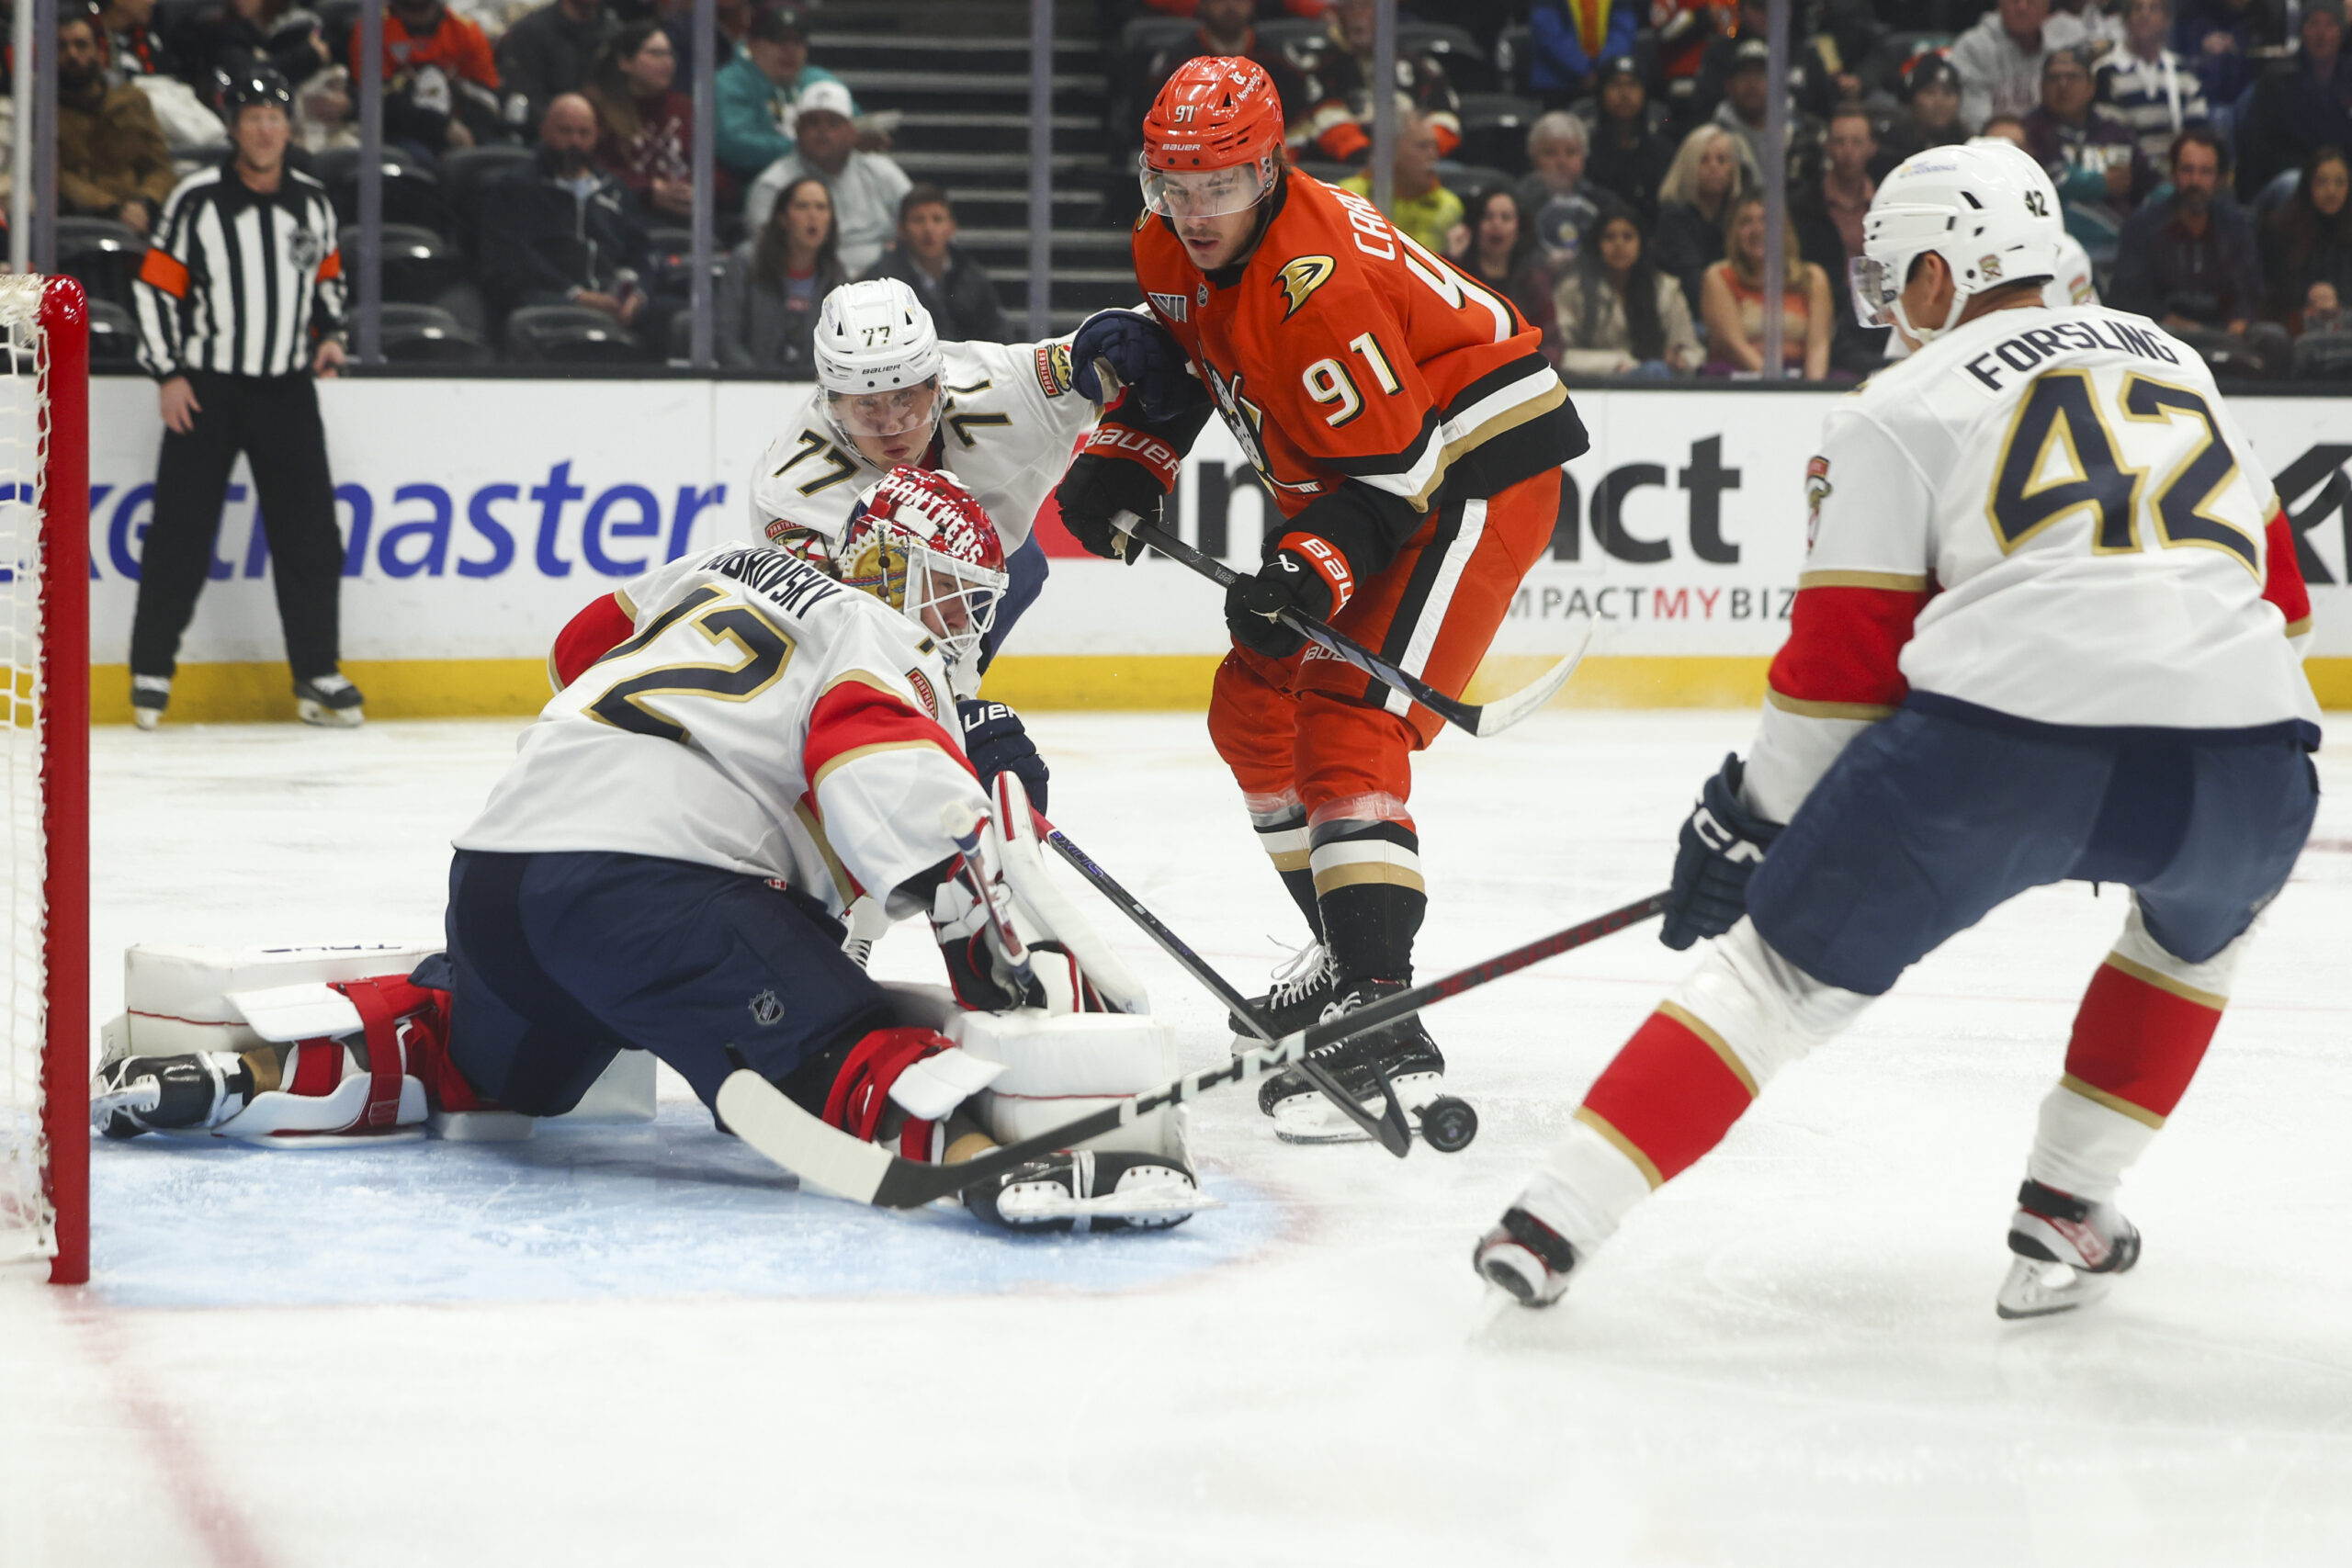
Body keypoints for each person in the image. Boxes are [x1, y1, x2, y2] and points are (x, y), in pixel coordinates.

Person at [1475, 139, 2319, 1317]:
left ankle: (1551, 1220)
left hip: (2007, 748)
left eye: (1893, 274)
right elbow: (2280, 604)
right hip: (2247, 763)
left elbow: (1836, 679)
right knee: (2196, 940)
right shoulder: (2176, 358)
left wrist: (1751, 825)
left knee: (1770, 980)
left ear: (1944, 274)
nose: (1885, 302)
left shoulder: (1899, 405)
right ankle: (2071, 1199)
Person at [91, 468, 1204, 1232]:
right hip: (652, 893)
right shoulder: (879, 629)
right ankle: (986, 1166)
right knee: (838, 1054)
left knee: (481, 1073)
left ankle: (238, 1075)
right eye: (955, 599)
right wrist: (980, 922)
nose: (961, 628)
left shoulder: (723, 566)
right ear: (904, 578)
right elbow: (876, 774)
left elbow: (579, 645)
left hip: (498, 871)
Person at [1053, 57, 1587, 1142]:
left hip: (1474, 477)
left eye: (1218, 186)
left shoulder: (1318, 283)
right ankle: (1348, 956)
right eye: (1173, 183)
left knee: (1346, 711)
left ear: (1268, 169)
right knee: (1250, 710)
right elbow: (1202, 366)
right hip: (1370, 478)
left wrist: (1308, 565)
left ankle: (1382, 1021)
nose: (1193, 212)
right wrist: (1130, 454)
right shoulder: (1166, 244)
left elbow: (1398, 478)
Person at [129, 67, 361, 730]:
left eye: (274, 116)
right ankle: (151, 671)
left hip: (286, 388)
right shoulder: (196, 199)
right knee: (181, 530)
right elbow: (154, 289)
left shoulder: (313, 202)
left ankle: (317, 672)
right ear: (233, 128)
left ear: (289, 127)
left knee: (311, 535)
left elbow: (327, 277)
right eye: (251, 116)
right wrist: (168, 372)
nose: (263, 128)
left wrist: (330, 334)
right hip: (209, 388)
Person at [744, 278, 1111, 685]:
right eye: (866, 404)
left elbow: (1146, 335)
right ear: (830, 404)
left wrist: (1140, 442)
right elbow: (816, 642)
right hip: (869, 603)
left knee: (1023, 562)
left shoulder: (1005, 387)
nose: (892, 425)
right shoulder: (790, 493)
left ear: (938, 385)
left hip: (1000, 562)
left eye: (905, 397)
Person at [478, 94, 651, 337]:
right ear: (545, 131)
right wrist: (578, 296)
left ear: (596, 136)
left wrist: (637, 296)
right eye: (565, 131)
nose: (574, 142)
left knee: (674, 318)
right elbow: (513, 258)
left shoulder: (616, 190)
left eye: (583, 133)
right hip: (549, 297)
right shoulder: (516, 188)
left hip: (612, 300)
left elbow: (643, 254)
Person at [2110, 129, 2275, 361]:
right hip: (2161, 338)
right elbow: (2130, 299)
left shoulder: (2237, 226)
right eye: (2187, 170)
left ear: (2220, 178)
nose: (2195, 181)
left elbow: (2248, 293)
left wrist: (2235, 328)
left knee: (2272, 339)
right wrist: (2190, 331)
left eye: (2205, 172)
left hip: (2226, 336)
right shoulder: (2142, 226)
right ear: (2173, 174)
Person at [745, 80, 910, 278]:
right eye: (813, 122)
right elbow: (768, 252)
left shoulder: (883, 173)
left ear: (851, 131)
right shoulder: (772, 185)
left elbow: (917, 224)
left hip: (882, 288)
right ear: (797, 129)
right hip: (810, 290)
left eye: (833, 123)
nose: (823, 131)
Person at [1290, 0, 1462, 164]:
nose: (1357, 15)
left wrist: (1419, 151)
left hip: (1412, 167)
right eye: (1350, 7)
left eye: (1365, 6)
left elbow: (1446, 118)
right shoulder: (1320, 68)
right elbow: (1327, 120)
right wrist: (1368, 158)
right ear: (1337, 15)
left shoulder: (1420, 67)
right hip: (1344, 170)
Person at [57, 13, 175, 238]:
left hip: (141, 218)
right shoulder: (43, 110)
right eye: (62, 47)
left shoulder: (132, 101)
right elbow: (56, 176)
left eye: (81, 45)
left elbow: (160, 166)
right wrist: (110, 206)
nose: (71, 54)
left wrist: (144, 201)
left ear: (100, 53)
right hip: (76, 224)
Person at [718, 175, 846, 376]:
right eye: (802, 206)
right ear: (782, 218)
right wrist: (756, 382)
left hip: (812, 393)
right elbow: (726, 339)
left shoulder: (836, 276)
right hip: (748, 387)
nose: (813, 215)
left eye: (821, 207)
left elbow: (842, 350)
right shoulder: (746, 263)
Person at [714, 6, 855, 186]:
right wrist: (810, 148)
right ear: (751, 43)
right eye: (778, 40)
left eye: (798, 41)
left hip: (824, 187)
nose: (789, 50)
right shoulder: (730, 82)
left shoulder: (821, 82)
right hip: (754, 188)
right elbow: (734, 145)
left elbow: (855, 125)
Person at [2027, 45, 2154, 242]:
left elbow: (2146, 182)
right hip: (2054, 243)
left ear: (2091, 86)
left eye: (2072, 77)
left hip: (2117, 244)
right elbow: (2035, 187)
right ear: (2041, 87)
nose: (2063, 85)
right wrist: (2100, 183)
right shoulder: (2030, 133)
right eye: (2054, 78)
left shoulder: (2115, 132)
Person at [1555, 207, 1702, 377]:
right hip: (1595, 384)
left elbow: (1692, 352)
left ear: (1641, 243)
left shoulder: (1666, 289)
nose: (1619, 245)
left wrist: (1680, 360)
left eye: (1628, 237)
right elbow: (1560, 354)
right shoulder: (1573, 290)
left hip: (1656, 384)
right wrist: (1616, 363)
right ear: (1597, 244)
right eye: (1610, 237)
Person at [1700, 193, 1834, 378]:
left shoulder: (1812, 278)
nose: (1757, 229)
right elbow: (1734, 345)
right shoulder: (1718, 277)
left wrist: (1811, 390)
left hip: (1799, 376)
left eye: (1766, 220)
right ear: (1734, 233)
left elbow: (1818, 346)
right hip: (1738, 378)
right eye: (1746, 222)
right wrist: (1777, 386)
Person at [349, 0, 503, 157]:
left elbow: (488, 99)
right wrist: (442, 127)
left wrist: (470, 134)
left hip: (464, 133)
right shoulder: (371, 29)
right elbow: (373, 102)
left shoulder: (467, 30)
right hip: (400, 136)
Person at [864, 185, 1011, 344]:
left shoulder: (972, 277)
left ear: (951, 227)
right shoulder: (880, 280)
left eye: (937, 219)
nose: (929, 229)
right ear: (902, 229)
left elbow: (997, 335)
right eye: (918, 220)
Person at [2236, 0, 2352, 201]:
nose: (2321, 33)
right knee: (2294, 183)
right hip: (2287, 182)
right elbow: (2260, 149)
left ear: (2341, 31)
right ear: (2302, 30)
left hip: (2341, 177)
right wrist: (2315, 174)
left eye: (2330, 24)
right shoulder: (2276, 80)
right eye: (2313, 23)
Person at [1134, 0, 1308, 131]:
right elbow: (1151, 116)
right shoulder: (1177, 60)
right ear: (1204, 5)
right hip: (1191, 156)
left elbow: (1298, 116)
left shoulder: (1276, 58)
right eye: (1220, 0)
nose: (1231, 7)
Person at [583, 21, 695, 221]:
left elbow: (714, 165)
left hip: (687, 214)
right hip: (625, 214)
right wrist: (647, 190)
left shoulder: (684, 107)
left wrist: (694, 189)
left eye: (670, 54)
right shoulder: (597, 107)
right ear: (625, 61)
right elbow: (591, 169)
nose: (667, 62)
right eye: (656, 53)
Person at [1654, 123, 1760, 311]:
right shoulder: (1674, 218)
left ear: (1733, 169)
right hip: (1687, 311)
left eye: (1721, 160)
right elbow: (1692, 284)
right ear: (1688, 165)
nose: (1713, 167)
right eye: (1703, 160)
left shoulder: (1740, 214)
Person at [2099, 0, 2211, 168]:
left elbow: (2198, 130)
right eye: (2138, 8)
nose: (2145, 15)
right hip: (2126, 172)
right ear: (2126, 19)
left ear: (2167, 20)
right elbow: (2110, 135)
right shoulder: (2105, 71)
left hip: (2176, 175)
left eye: (2153, 8)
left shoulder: (2183, 72)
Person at [1339, 110, 1461, 255]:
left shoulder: (1449, 206)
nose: (1433, 155)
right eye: (1422, 146)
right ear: (1390, 151)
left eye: (1434, 146)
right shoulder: (1349, 196)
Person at [1954, 0, 2088, 131]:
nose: (2022, 7)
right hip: (1991, 146)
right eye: (2015, 1)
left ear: (2047, 4)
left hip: (2050, 146)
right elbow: (1973, 121)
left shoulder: (2064, 46)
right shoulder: (1973, 47)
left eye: (2031, 1)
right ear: (1999, 4)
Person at [2261, 143, 2352, 331]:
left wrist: (2338, 298)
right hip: (2294, 323)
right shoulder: (2281, 228)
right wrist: (2309, 296)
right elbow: (2271, 289)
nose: (2331, 191)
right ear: (2308, 184)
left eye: (2339, 182)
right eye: (2322, 181)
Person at [498, 0, 620, 134]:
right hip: (548, 134)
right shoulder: (532, 31)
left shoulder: (612, 29)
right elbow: (523, 97)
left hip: (606, 132)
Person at [1454, 188, 1555, 349]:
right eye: (1488, 217)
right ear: (1475, 225)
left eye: (1506, 218)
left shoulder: (1534, 281)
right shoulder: (1456, 275)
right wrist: (1451, 258)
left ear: (1519, 227)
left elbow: (1551, 342)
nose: (1497, 224)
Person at [1580, 57, 1675, 225]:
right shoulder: (1585, 152)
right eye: (1616, 85)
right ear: (1601, 94)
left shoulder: (1663, 151)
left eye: (1632, 84)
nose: (1624, 94)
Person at [1515, 111, 1605, 271]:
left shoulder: (1603, 203)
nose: (1561, 162)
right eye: (1550, 153)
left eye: (1571, 152)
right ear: (1534, 158)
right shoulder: (1517, 204)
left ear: (1584, 156)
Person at [1529, 0, 1639, 107]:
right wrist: (1584, 71)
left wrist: (1603, 68)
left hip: (1608, 78)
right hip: (1558, 81)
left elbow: (1623, 31)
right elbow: (1548, 33)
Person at [1874, 55, 1968, 179]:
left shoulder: (1967, 144)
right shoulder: (1890, 146)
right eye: (1930, 92)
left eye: (1948, 93)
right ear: (1912, 99)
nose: (1939, 102)